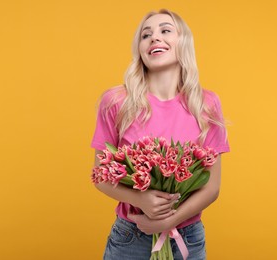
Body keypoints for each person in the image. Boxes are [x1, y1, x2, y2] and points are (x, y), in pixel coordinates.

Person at [90, 8, 230, 260]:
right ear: (140, 50)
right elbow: (100, 175)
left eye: (165, 30)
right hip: (131, 235)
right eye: (146, 35)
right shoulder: (116, 102)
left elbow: (211, 187)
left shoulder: (206, 104)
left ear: (183, 44)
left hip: (188, 236)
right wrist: (140, 199)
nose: (154, 38)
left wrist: (170, 220)